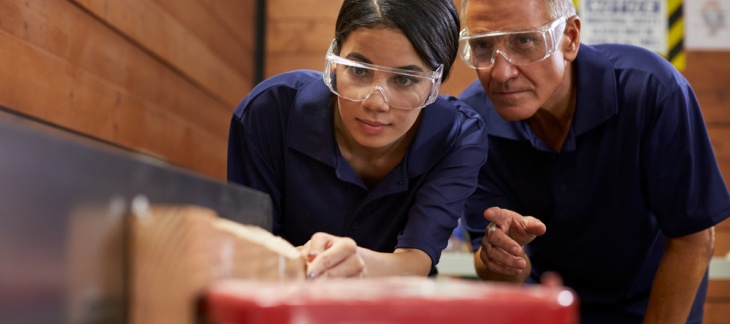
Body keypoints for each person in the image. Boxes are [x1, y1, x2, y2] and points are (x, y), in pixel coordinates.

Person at [457, 0, 730, 323]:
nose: (500, 72)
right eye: (483, 46)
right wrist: (502, 259)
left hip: (656, 300)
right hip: (550, 304)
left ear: (570, 38)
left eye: (524, 41)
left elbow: (693, 239)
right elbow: (498, 270)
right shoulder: (472, 123)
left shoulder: (651, 92)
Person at [227, 0, 487, 280]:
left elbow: (418, 259)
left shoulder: (458, 136)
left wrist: (357, 263)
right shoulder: (270, 112)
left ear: (436, 82)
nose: (375, 103)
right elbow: (247, 252)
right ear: (335, 58)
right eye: (359, 70)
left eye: (405, 80)